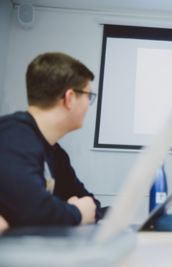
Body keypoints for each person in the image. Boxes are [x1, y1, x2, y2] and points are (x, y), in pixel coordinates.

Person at [0, 52, 102, 227]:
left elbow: (89, 204)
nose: (88, 105)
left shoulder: (56, 153)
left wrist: (79, 210)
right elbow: (32, 210)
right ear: (69, 98)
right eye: (88, 96)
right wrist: (76, 212)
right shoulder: (13, 135)